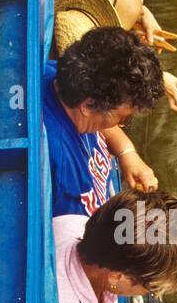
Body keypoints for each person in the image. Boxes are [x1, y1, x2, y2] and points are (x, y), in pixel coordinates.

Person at [43, 25, 163, 216]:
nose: (120, 123)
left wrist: (126, 152)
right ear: (88, 105)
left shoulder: (56, 76)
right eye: (122, 116)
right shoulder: (62, 172)